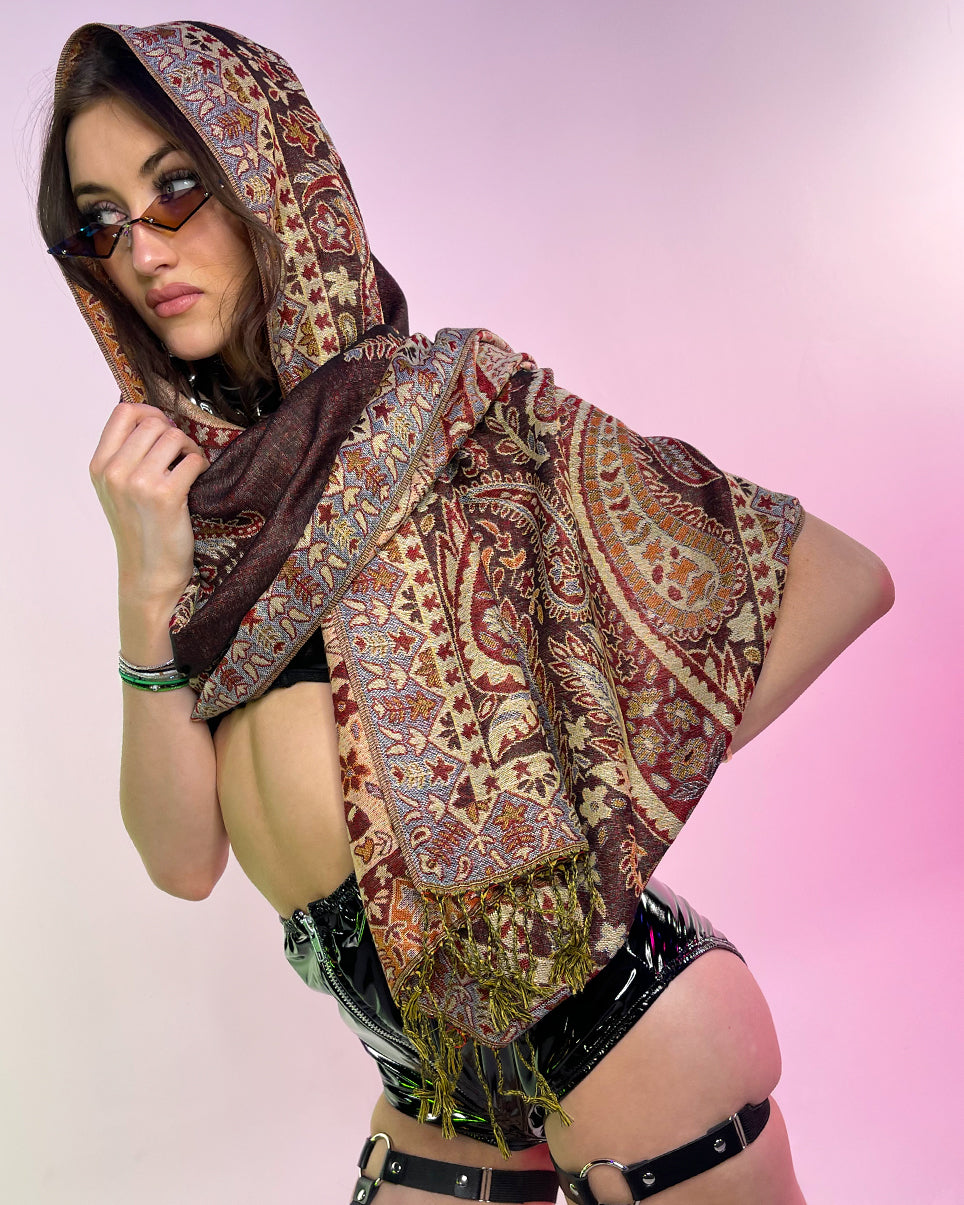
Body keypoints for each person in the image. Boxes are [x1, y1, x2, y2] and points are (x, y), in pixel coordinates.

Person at [38, 21, 893, 1205]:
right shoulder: (192, 503)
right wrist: (145, 586)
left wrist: (594, 785)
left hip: (618, 1031)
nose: (142, 249)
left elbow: (841, 576)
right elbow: (183, 861)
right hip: (433, 1076)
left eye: (177, 188)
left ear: (266, 180)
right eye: (101, 221)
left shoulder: (451, 411)